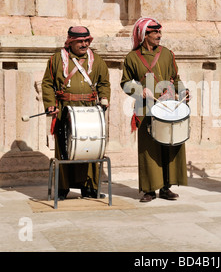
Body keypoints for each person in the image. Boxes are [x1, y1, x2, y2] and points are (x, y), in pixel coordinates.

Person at [120, 17, 189, 202]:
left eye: (159, 32)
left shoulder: (167, 54)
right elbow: (125, 83)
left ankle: (166, 188)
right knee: (149, 149)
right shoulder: (132, 57)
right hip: (146, 108)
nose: (159, 35)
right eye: (155, 32)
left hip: (168, 107)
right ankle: (149, 190)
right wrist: (139, 90)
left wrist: (183, 92)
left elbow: (176, 77)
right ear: (144, 35)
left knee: (169, 145)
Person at [42, 26, 111, 200]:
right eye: (80, 41)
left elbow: (104, 83)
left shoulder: (97, 60)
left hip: (90, 109)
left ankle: (90, 188)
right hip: (65, 108)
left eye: (87, 41)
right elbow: (48, 83)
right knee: (65, 149)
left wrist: (104, 97)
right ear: (71, 42)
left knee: (91, 147)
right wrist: (51, 104)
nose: (84, 44)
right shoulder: (57, 59)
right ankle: (62, 189)